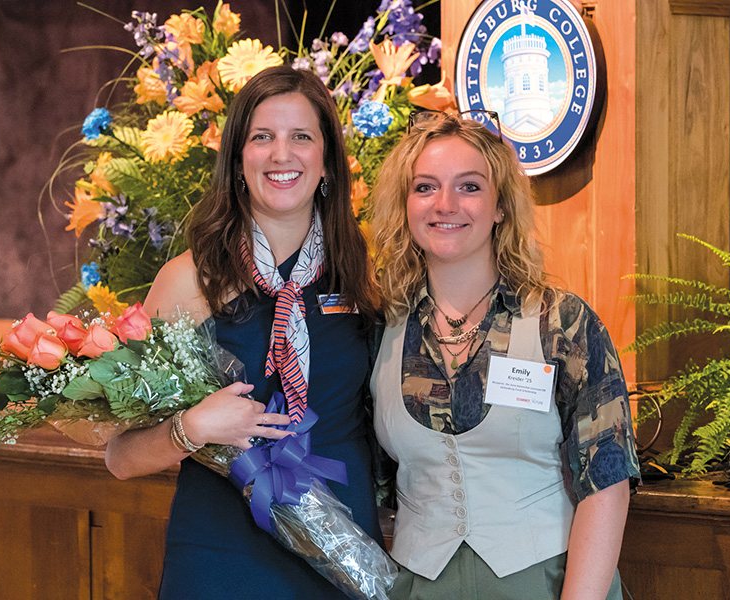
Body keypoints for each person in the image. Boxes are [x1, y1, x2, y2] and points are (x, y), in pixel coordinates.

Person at [104, 66, 382, 599]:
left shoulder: (363, 274)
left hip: (343, 554)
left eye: (301, 136)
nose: (283, 154)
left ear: (326, 162)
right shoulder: (188, 280)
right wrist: (192, 428)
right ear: (237, 161)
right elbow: (120, 457)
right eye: (262, 137)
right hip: (222, 555)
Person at [368, 110, 641, 600]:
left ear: (500, 207)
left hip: (548, 582)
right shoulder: (377, 332)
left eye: (469, 187)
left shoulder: (562, 323)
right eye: (425, 187)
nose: (445, 204)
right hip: (418, 587)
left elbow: (607, 482)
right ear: (405, 206)